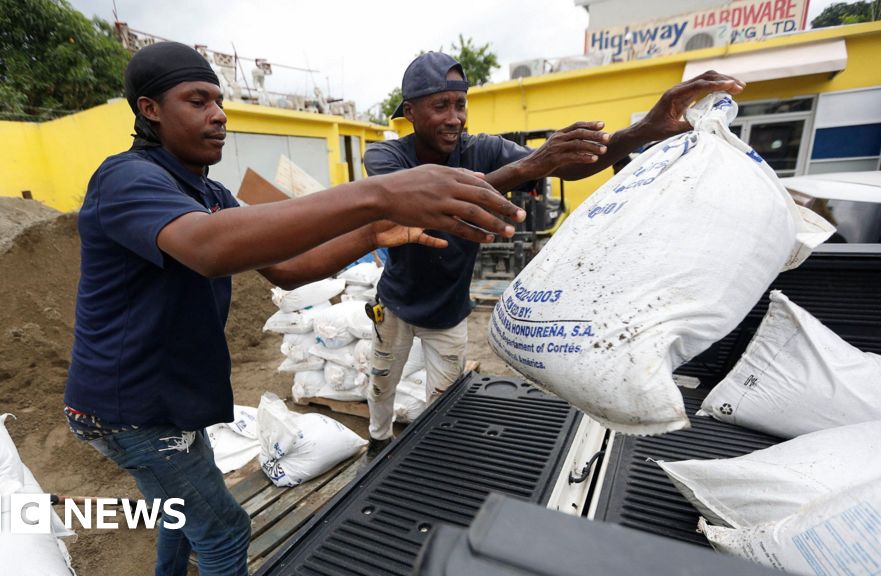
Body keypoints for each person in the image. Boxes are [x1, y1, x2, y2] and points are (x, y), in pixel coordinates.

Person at [63, 42, 525, 576]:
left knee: (180, 510)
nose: (218, 115)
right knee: (224, 531)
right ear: (149, 109)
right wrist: (378, 195)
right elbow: (209, 250)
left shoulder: (206, 191)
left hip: (166, 398)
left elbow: (288, 267)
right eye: (197, 101)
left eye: (219, 101)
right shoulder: (127, 178)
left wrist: (375, 232)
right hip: (129, 410)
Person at [363, 52, 744, 454]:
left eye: (460, 104)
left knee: (443, 404)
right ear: (410, 111)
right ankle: (377, 440)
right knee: (382, 381)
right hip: (396, 305)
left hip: (448, 311)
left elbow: (566, 166)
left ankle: (428, 459)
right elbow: (423, 204)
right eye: (441, 106)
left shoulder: (481, 150)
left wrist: (641, 130)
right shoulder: (386, 158)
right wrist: (530, 165)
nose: (455, 117)